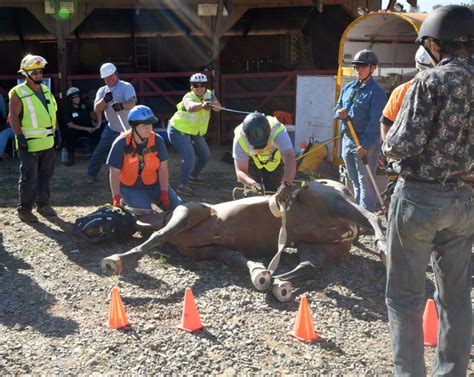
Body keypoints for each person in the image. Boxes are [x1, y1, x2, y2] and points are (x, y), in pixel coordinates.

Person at [382, 5, 473, 376]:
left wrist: (388, 151)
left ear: (435, 45)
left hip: (420, 200)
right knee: (455, 298)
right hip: (465, 202)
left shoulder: (431, 82)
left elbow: (402, 142)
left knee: (404, 298)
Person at [334, 49, 387, 212]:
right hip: (348, 141)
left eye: (363, 67)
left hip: (366, 143)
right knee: (354, 181)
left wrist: (364, 145)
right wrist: (339, 113)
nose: (359, 70)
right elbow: (336, 109)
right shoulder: (348, 87)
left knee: (366, 183)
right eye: (357, 67)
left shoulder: (377, 93)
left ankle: (367, 219)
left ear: (372, 68)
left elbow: (374, 122)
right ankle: (358, 214)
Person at [8, 54, 58, 222]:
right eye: (34, 72)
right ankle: (25, 210)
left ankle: (43, 204)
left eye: (40, 71)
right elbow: (13, 117)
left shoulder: (45, 90)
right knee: (29, 178)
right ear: (26, 74)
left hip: (47, 143)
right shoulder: (17, 93)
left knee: (46, 175)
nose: (38, 75)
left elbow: (51, 113)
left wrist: (56, 132)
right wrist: (19, 137)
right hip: (29, 145)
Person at [107, 105, 182, 214]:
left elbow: (163, 168)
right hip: (129, 187)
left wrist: (164, 192)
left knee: (179, 209)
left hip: (154, 184)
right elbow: (114, 172)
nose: (149, 128)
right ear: (134, 126)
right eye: (144, 125)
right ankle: (126, 201)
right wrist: (116, 197)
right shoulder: (121, 143)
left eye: (150, 124)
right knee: (146, 213)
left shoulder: (158, 140)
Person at [167, 73, 221, 196]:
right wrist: (203, 105)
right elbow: (190, 107)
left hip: (193, 132)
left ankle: (193, 176)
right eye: (196, 85)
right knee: (189, 155)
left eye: (202, 85)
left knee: (205, 155)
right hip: (177, 130)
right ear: (191, 87)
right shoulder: (188, 97)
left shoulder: (209, 94)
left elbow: (218, 108)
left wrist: (213, 104)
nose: (200, 87)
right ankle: (182, 185)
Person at [86, 62, 136, 183]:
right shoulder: (102, 91)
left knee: (134, 153)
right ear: (103, 79)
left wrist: (121, 106)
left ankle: (136, 175)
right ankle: (91, 174)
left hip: (129, 128)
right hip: (112, 129)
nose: (110, 79)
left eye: (111, 76)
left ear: (116, 74)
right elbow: (97, 109)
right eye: (106, 77)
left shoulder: (126, 86)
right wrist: (105, 100)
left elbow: (133, 102)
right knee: (100, 151)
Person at [232, 112, 296, 203]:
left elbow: (290, 157)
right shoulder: (240, 139)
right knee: (253, 198)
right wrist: (253, 184)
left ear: (268, 132)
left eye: (263, 145)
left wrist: (287, 182)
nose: (261, 150)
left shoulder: (277, 130)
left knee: (276, 195)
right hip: (253, 161)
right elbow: (240, 171)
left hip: (274, 161)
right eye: (257, 146)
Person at [380, 46, 432, 141]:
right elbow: (386, 121)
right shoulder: (401, 91)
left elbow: (386, 122)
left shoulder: (401, 91)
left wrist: (388, 148)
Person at [61, 87, 102, 166]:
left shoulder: (85, 104)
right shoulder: (67, 109)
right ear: (70, 99)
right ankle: (70, 157)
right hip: (77, 129)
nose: (76, 98)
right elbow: (70, 125)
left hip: (89, 128)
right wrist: (87, 129)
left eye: (77, 96)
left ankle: (97, 156)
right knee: (68, 133)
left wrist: (98, 125)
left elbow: (97, 111)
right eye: (74, 97)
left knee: (99, 132)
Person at [0, 90, 14, 160]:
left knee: (5, 133)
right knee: (3, 131)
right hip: (11, 127)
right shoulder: (12, 107)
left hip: (22, 129)